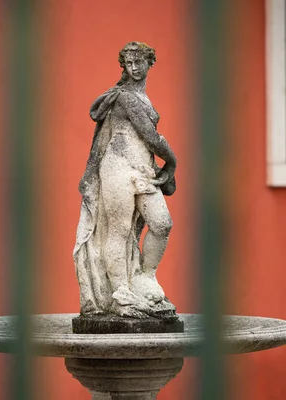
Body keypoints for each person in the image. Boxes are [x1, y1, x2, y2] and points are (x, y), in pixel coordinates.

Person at [73, 42, 178, 319]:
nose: (133, 68)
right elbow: (151, 137)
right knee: (118, 230)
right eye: (128, 63)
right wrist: (173, 161)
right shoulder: (124, 98)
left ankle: (145, 277)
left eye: (138, 62)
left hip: (142, 168)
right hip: (117, 167)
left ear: (148, 63)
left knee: (161, 223)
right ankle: (120, 292)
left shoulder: (142, 98)